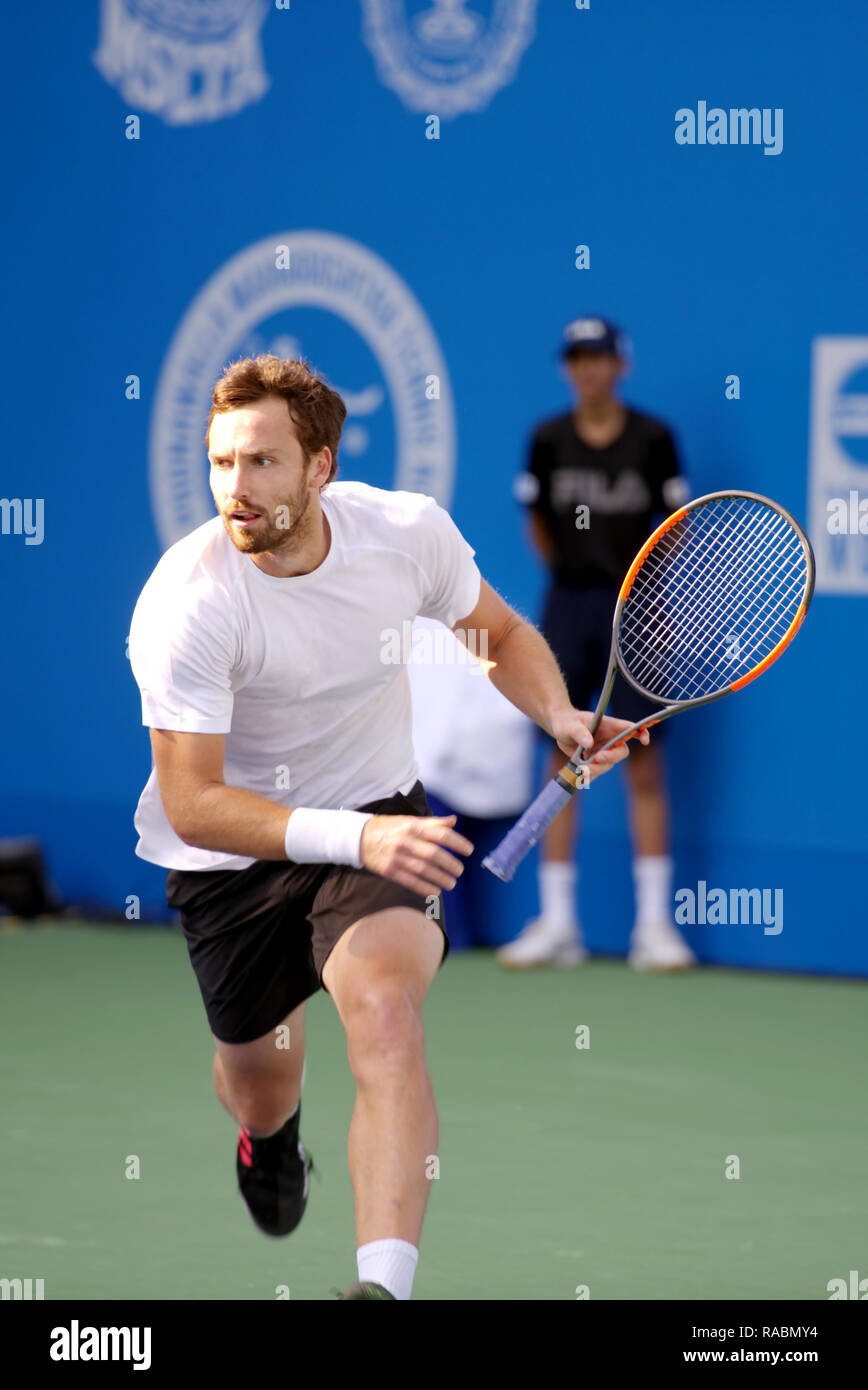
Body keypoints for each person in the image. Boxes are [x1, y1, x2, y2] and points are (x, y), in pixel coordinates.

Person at [128, 354, 641, 1301]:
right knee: (260, 1078)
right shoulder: (186, 603)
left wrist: (559, 716)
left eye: (263, 463)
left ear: (322, 465)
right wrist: (351, 840)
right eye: (221, 463)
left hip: (378, 812)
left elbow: (499, 635)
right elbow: (194, 801)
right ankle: (268, 1140)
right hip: (233, 855)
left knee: (385, 1016)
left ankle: (382, 1291)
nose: (234, 491)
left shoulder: (404, 536)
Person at [497, 317, 696, 973]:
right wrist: (574, 581)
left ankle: (653, 927)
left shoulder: (655, 440)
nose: (588, 369)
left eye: (600, 357)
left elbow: (674, 529)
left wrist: (642, 600)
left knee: (641, 760)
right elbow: (539, 527)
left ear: (621, 365)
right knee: (564, 754)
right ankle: (558, 924)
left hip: (638, 611)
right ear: (568, 368)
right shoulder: (547, 440)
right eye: (577, 358)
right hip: (569, 607)